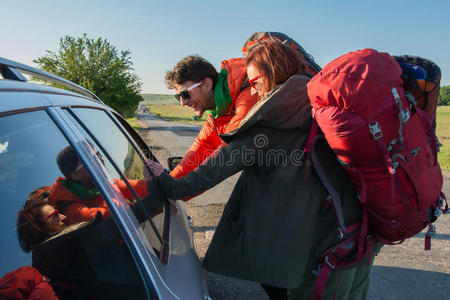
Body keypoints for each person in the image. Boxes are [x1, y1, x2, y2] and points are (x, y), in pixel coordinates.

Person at [149, 39, 380, 299]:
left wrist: (166, 183)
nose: (255, 93)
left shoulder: (271, 119)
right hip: (355, 235)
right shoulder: (317, 107)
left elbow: (212, 170)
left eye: (255, 84)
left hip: (318, 250)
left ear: (270, 76)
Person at [165, 55, 259, 179]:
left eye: (185, 94)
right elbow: (200, 151)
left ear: (207, 85)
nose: (182, 103)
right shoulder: (217, 113)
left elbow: (221, 158)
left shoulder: (249, 93)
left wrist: (170, 188)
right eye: (178, 97)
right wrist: (167, 181)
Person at [49, 146, 148, 225]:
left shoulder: (100, 183)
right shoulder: (70, 210)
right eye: (91, 159)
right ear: (76, 175)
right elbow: (103, 216)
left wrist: (152, 179)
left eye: (98, 154)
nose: (100, 160)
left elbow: (134, 187)